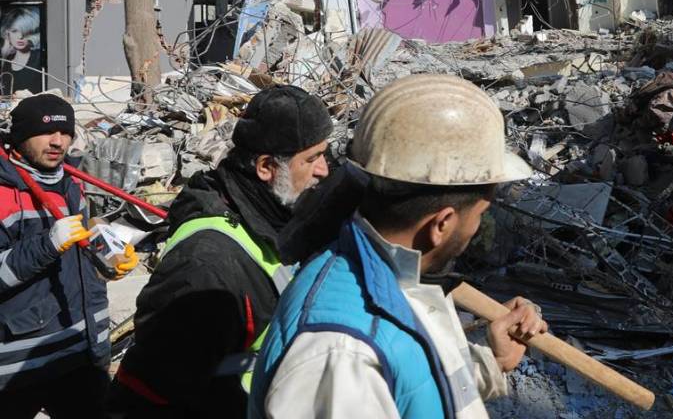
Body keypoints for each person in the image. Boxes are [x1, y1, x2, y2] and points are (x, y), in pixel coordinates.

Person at [250, 74, 547, 419]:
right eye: (480, 214)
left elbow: (413, 386)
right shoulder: (342, 352)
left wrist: (491, 363)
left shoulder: (399, 281)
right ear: (441, 224)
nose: (477, 226)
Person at [108, 85, 333, 418]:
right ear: (266, 167)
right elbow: (151, 395)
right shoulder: (205, 267)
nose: (324, 169)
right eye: (312, 159)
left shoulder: (274, 218)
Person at [0, 93, 138, 419]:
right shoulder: (4, 193)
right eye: (45, 131)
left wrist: (108, 257)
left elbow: (80, 245)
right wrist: (46, 245)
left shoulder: (71, 180)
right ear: (20, 136)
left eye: (65, 133)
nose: (57, 141)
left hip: (81, 348)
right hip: (18, 364)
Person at [0, 6, 43, 96]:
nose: (20, 37)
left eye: (25, 31)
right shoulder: (5, 61)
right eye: (14, 31)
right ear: (7, 33)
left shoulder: (39, 58)